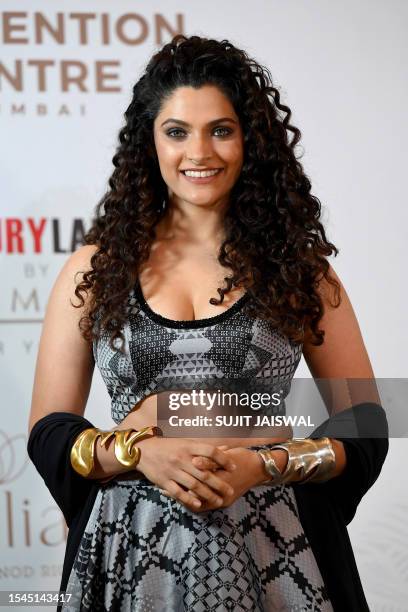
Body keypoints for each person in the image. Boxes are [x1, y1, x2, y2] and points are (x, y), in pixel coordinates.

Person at [27, 34, 388, 612]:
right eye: (177, 132)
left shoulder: (301, 271)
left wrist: (264, 460)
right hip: (130, 551)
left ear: (250, 141)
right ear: (149, 143)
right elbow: (48, 431)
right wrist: (136, 449)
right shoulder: (92, 271)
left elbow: (367, 419)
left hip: (277, 552)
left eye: (221, 129)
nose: (201, 152)